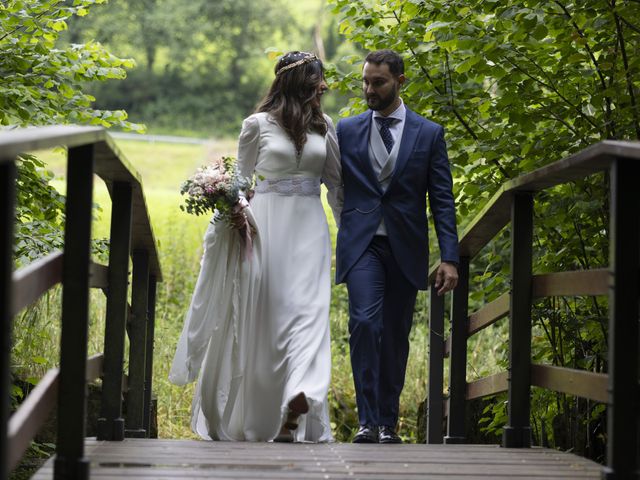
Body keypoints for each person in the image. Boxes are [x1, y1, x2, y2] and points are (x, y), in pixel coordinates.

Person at [169, 51, 342, 443]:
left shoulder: (324, 126)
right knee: (268, 322)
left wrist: (347, 233)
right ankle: (266, 413)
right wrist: (237, 210)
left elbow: (337, 186)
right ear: (297, 83)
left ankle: (301, 397)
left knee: (310, 314)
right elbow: (239, 184)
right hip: (265, 230)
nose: (323, 88)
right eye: (317, 81)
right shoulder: (256, 125)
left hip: (310, 232)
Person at [335, 49, 459, 444]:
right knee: (365, 324)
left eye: (378, 82)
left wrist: (450, 257)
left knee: (394, 335)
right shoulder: (346, 130)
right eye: (366, 82)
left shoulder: (429, 133)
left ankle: (388, 423)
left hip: (406, 249)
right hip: (362, 247)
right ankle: (367, 422)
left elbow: (442, 199)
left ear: (400, 81)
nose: (369, 89)